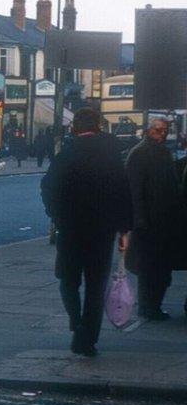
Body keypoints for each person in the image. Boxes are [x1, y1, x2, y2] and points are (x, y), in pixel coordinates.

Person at [41, 108, 132, 357]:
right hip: (102, 232)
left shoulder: (67, 154)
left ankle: (76, 322)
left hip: (71, 230)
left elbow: (48, 187)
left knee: (68, 281)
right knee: (95, 286)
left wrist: (56, 215)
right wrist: (124, 227)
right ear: (98, 127)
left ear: (75, 128)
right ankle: (88, 338)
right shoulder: (112, 156)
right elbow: (124, 192)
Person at [126, 118, 183, 320]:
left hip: (165, 221)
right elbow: (134, 190)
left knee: (161, 268)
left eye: (165, 130)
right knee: (149, 268)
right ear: (149, 130)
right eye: (158, 130)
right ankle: (147, 307)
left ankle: (154, 306)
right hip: (149, 221)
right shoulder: (139, 153)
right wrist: (139, 219)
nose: (162, 133)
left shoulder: (164, 152)